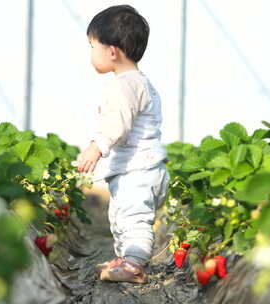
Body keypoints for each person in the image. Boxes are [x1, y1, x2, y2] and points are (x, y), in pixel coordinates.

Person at [77, 4, 169, 284]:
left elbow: (118, 124)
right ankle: (124, 259)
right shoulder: (142, 82)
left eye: (92, 45)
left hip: (137, 172)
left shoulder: (123, 86)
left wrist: (97, 146)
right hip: (144, 169)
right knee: (121, 217)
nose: (91, 53)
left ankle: (133, 265)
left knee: (133, 219)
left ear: (112, 51)